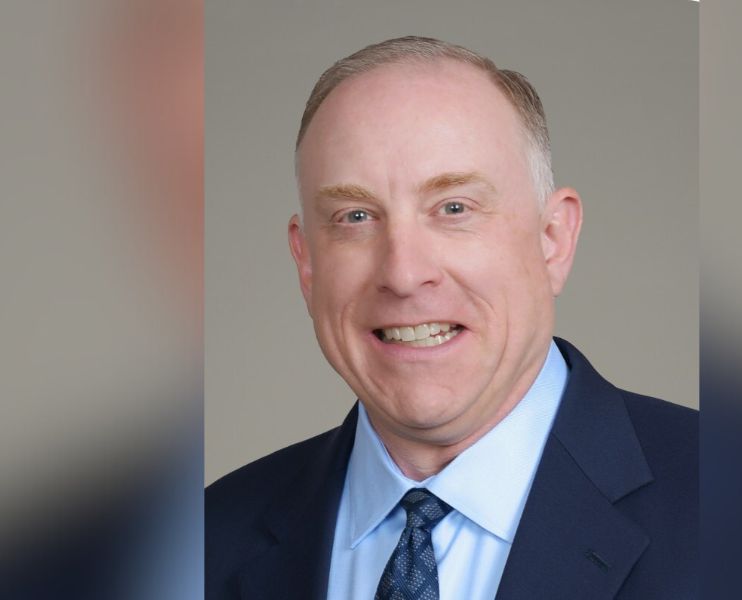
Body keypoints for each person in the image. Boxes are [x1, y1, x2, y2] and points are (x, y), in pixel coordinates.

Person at [206, 36, 697, 600]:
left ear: (553, 239)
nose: (404, 273)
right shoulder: (209, 540)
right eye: (355, 216)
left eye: (454, 208)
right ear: (307, 262)